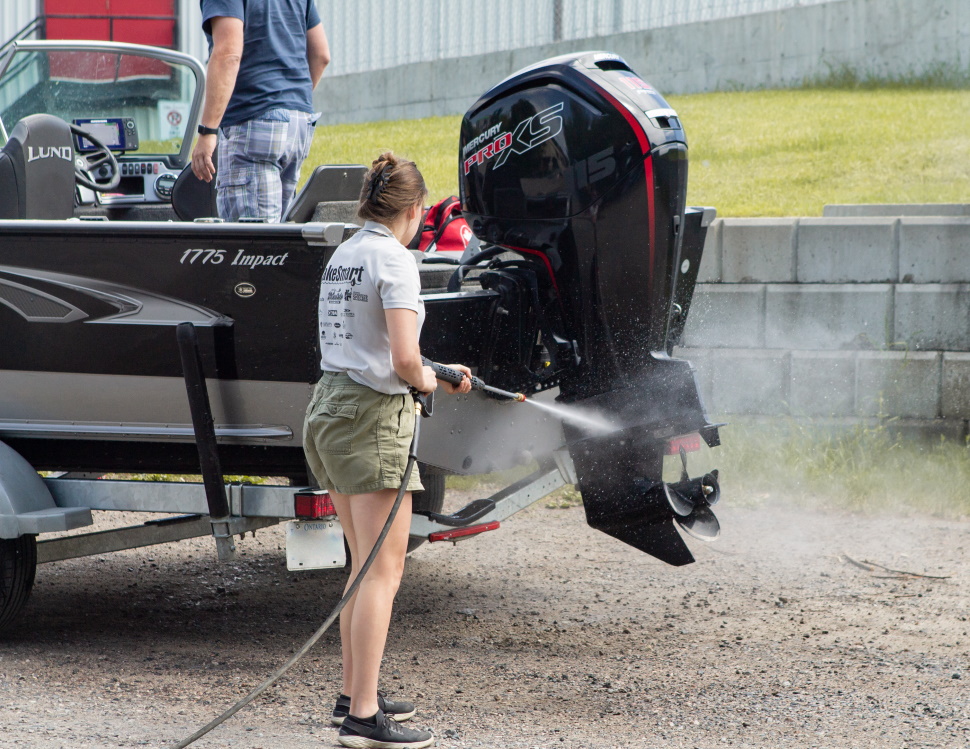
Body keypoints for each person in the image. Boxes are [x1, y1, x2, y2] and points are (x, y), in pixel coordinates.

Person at [303, 152, 471, 749]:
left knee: (360, 564)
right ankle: (363, 720)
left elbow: (372, 348)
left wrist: (433, 373)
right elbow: (403, 362)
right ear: (414, 210)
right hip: (370, 420)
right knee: (383, 570)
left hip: (330, 407)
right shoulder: (396, 260)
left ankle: (354, 693)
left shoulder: (346, 252)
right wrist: (432, 378)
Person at [190, 0, 330, 222]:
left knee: (253, 248)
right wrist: (286, 102)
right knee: (280, 240)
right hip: (298, 121)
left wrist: (207, 131)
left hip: (252, 120)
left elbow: (228, 54)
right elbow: (321, 55)